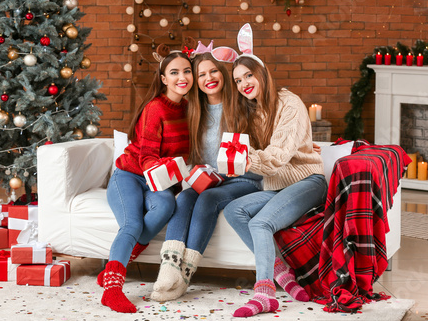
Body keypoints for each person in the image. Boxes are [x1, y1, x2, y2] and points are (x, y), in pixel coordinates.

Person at [221, 25, 327, 318]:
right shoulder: (251, 111)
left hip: (308, 181)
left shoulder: (289, 104)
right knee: (234, 211)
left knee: (260, 224)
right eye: (238, 80)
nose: (243, 84)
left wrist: (244, 157)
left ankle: (264, 294)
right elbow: (255, 158)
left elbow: (277, 158)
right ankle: (283, 275)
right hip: (276, 185)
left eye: (248, 75)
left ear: (262, 74)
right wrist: (232, 157)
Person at [151, 49, 263, 302]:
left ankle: (185, 277)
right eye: (201, 74)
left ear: (222, 73)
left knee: (208, 199)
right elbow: (195, 157)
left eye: (213, 71)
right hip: (210, 180)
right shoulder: (194, 112)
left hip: (244, 180)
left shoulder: (244, 105)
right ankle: (169, 269)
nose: (208, 77)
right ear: (196, 81)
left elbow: (267, 145)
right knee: (186, 198)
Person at [99, 50, 193, 314]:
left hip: (158, 183)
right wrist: (167, 171)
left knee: (165, 207)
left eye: (186, 71)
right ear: (163, 78)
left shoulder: (190, 109)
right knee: (132, 223)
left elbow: (184, 157)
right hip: (129, 175)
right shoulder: (155, 108)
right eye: (174, 72)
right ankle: (112, 289)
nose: (182, 77)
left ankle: (111, 269)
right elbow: (148, 157)